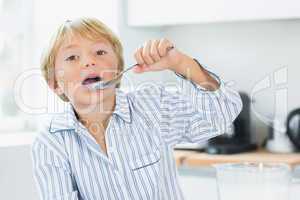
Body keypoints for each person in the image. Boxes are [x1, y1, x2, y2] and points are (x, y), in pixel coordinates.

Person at [31, 17, 242, 200]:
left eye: (100, 51)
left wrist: (180, 63)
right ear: (55, 84)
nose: (89, 62)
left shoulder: (152, 106)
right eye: (72, 57)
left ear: (119, 69)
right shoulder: (50, 142)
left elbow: (223, 114)